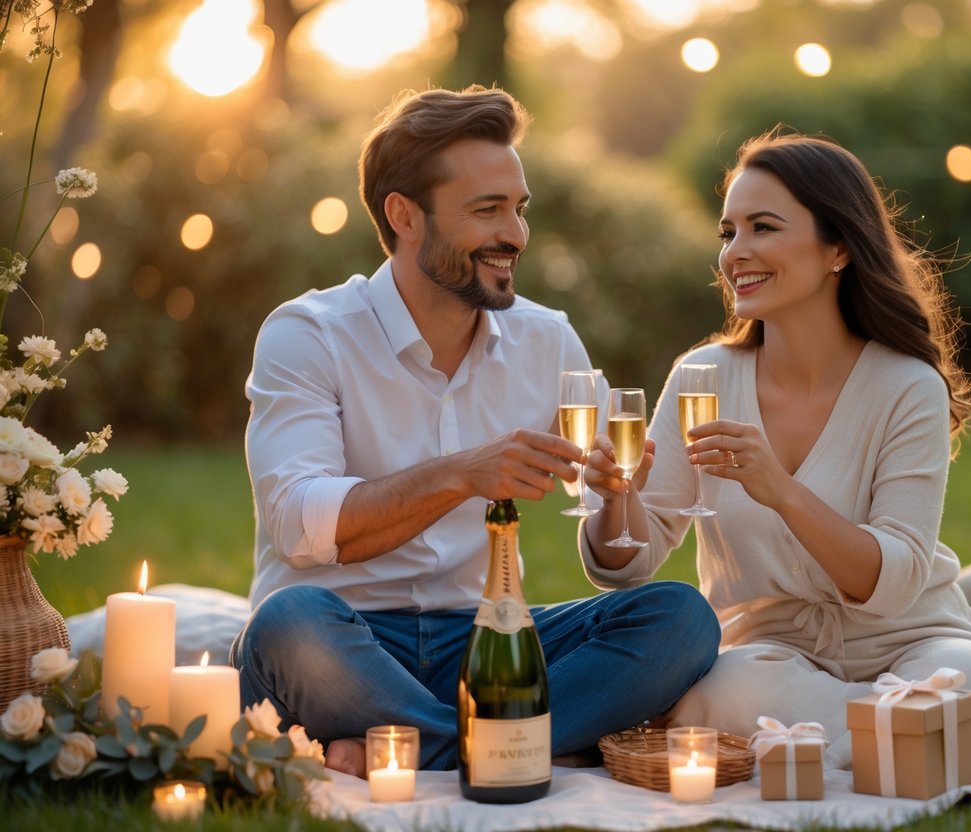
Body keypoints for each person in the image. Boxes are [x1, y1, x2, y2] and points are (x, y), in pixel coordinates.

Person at [230, 85, 720, 775]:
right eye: (486, 210)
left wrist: (616, 498)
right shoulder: (309, 335)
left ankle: (420, 747)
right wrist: (462, 473)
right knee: (286, 625)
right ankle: (528, 743)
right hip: (349, 639)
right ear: (404, 215)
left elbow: (615, 559)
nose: (515, 235)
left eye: (518, 209)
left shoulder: (546, 340)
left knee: (679, 619)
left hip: (493, 642)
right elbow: (301, 525)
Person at [580, 130, 971, 762]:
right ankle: (911, 743)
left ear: (839, 247)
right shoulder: (701, 377)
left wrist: (783, 491)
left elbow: (898, 580)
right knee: (728, 688)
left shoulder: (907, 386)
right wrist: (615, 499)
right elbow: (628, 561)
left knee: (968, 681)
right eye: (728, 232)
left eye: (763, 227)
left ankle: (827, 744)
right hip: (771, 655)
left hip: (914, 639)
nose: (736, 252)